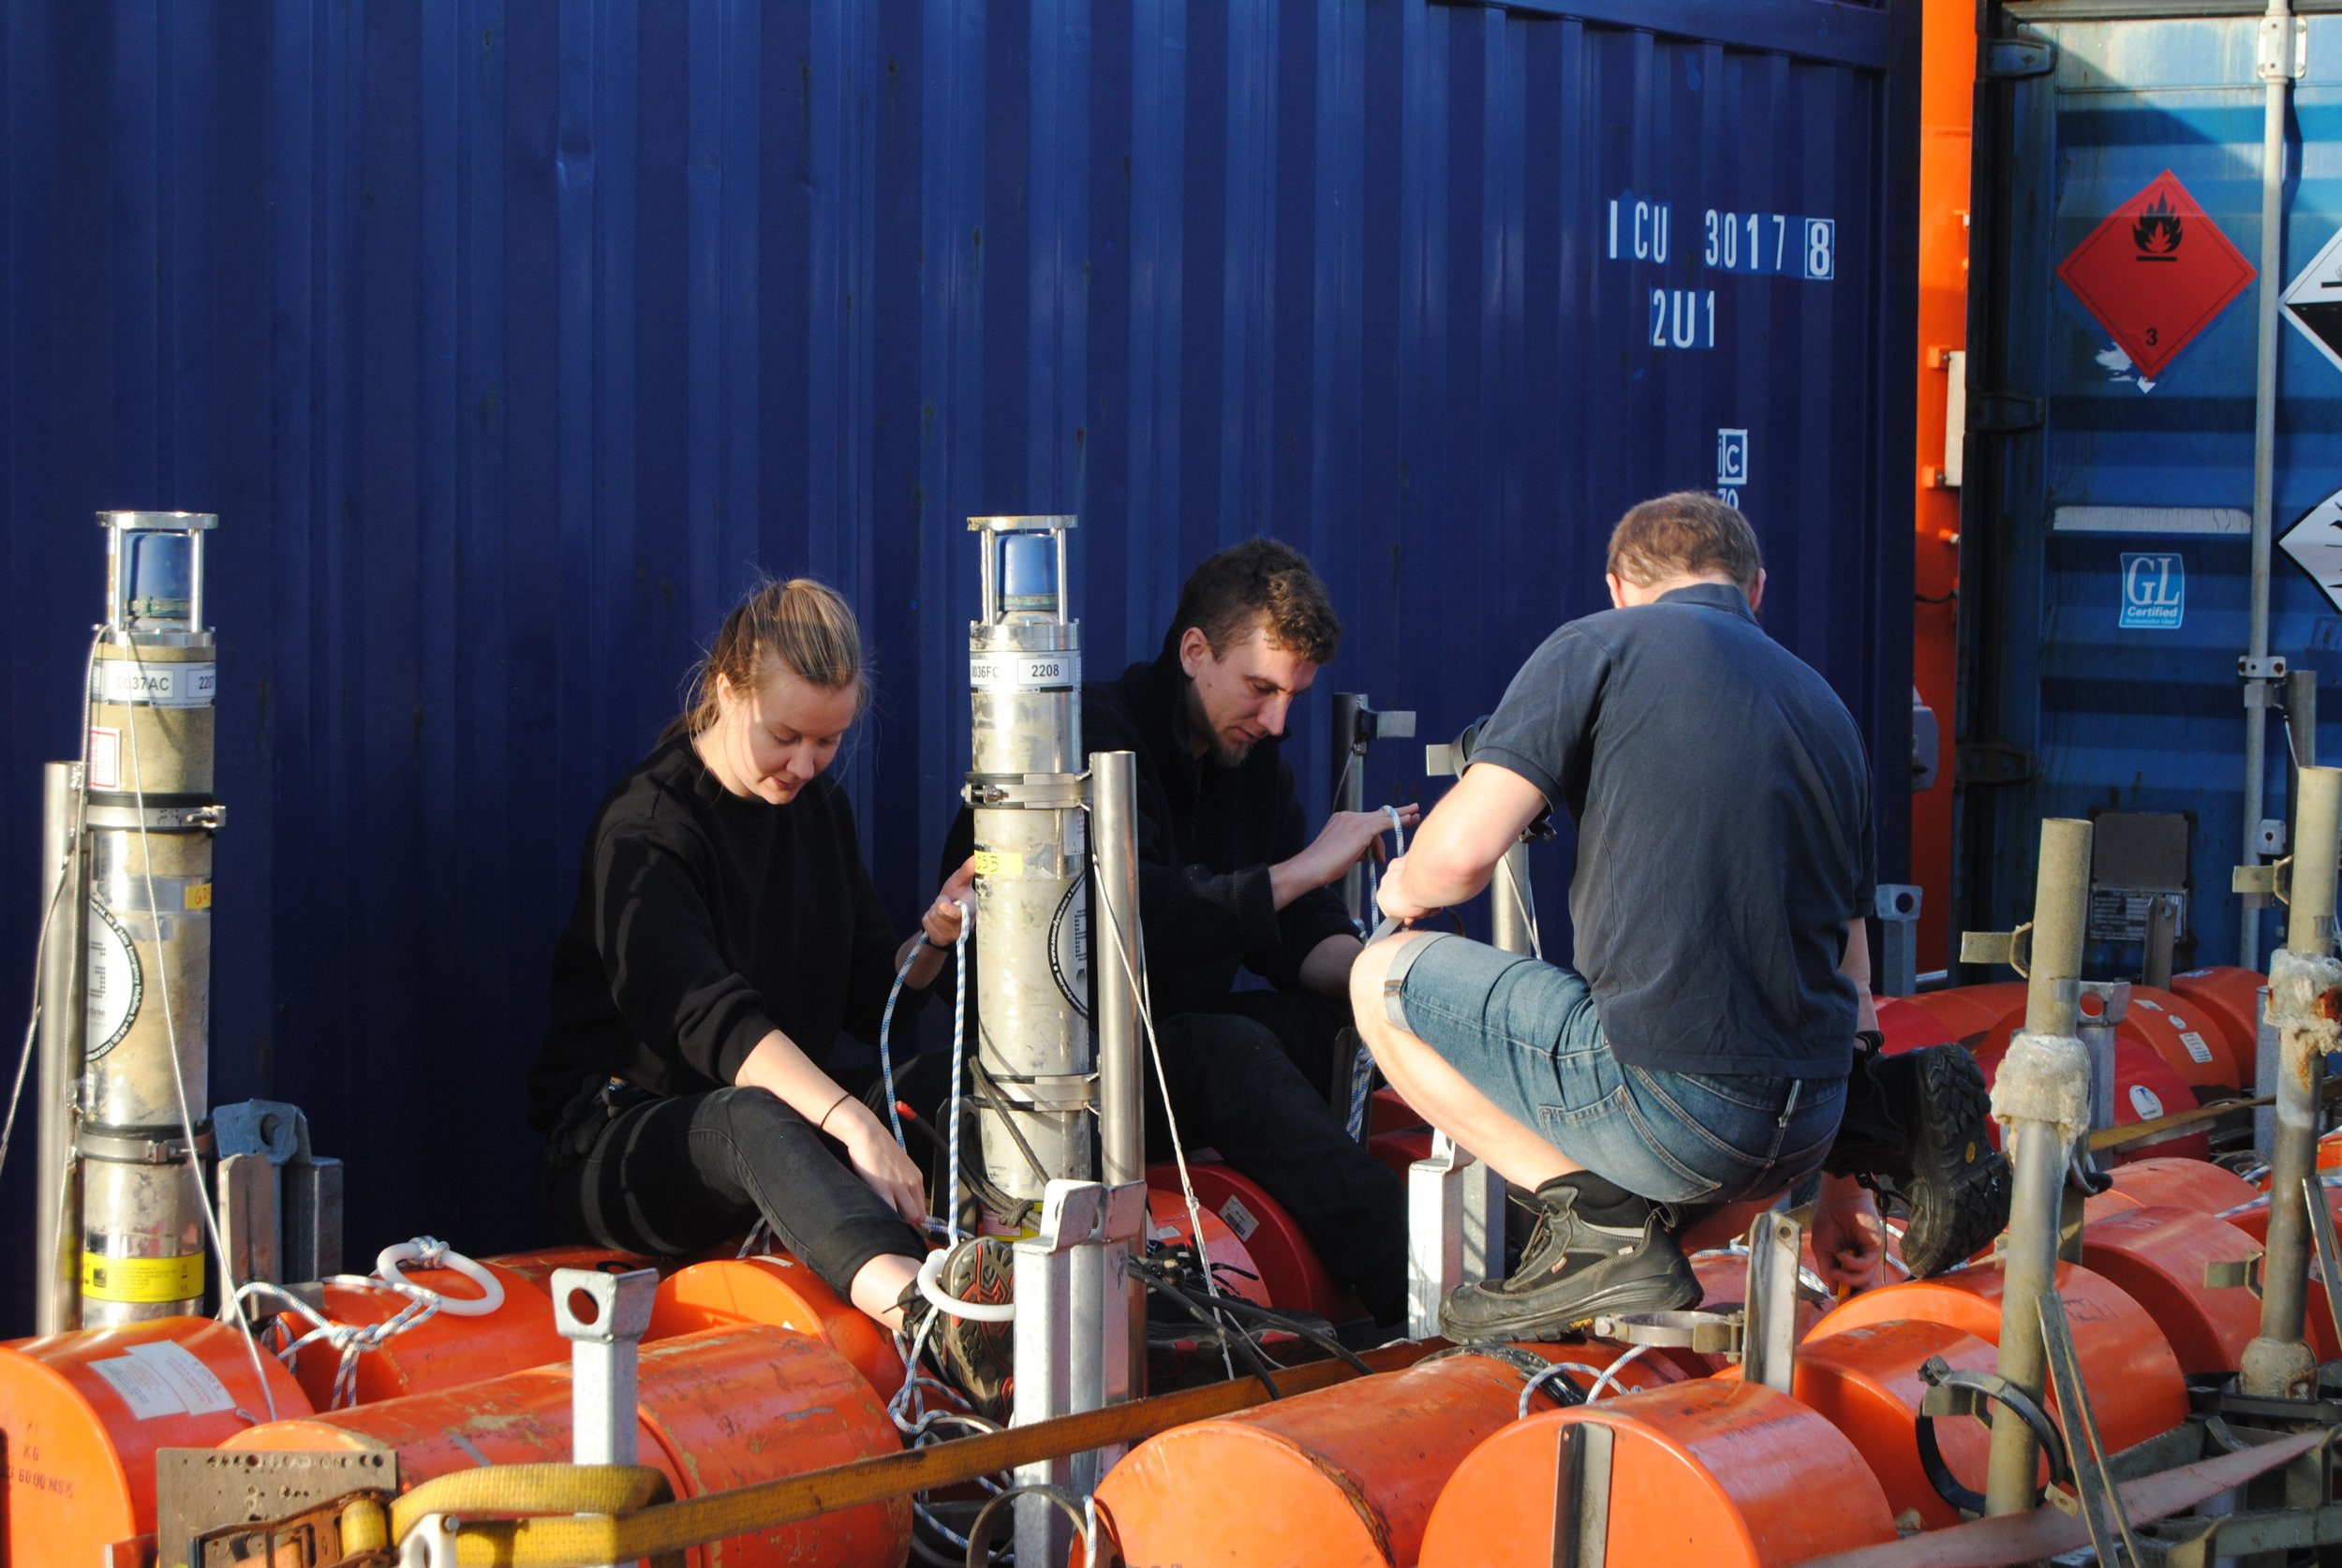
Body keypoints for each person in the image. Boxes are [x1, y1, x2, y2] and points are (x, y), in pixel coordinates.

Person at [1348, 493, 2007, 1341]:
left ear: (1619, 586)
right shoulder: (1826, 709)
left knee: (1380, 980)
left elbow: (1460, 860)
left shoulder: (1597, 644)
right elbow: (1851, 968)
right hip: (1798, 1137)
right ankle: (1868, 1129)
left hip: (1670, 1116)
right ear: (1756, 590)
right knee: (1696, 1190)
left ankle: (1596, 1235)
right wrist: (1838, 1186)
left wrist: (1399, 891)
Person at [529, 577, 1009, 1413]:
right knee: (752, 1113)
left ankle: (1020, 1263)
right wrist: (851, 1122)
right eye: (785, 737)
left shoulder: (817, 806)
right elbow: (710, 1022)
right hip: (628, 1144)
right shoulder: (647, 827)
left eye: (828, 743)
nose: (805, 765)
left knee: (946, 1080)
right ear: (727, 688)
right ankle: (929, 1320)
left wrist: (934, 937)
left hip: (784, 1136)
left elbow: (873, 997)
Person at [941, 539, 1417, 1326]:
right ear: (1196, 651)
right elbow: (1138, 923)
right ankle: (1410, 1284)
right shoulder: (1091, 732)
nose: (1277, 720)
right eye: (1261, 688)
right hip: (1070, 1080)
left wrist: (1385, 980)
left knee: (1337, 1015)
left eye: (1294, 696)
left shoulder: (1254, 763)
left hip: (1178, 1053)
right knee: (1225, 1049)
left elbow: (1295, 931)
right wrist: (1309, 865)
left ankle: (1419, 1254)